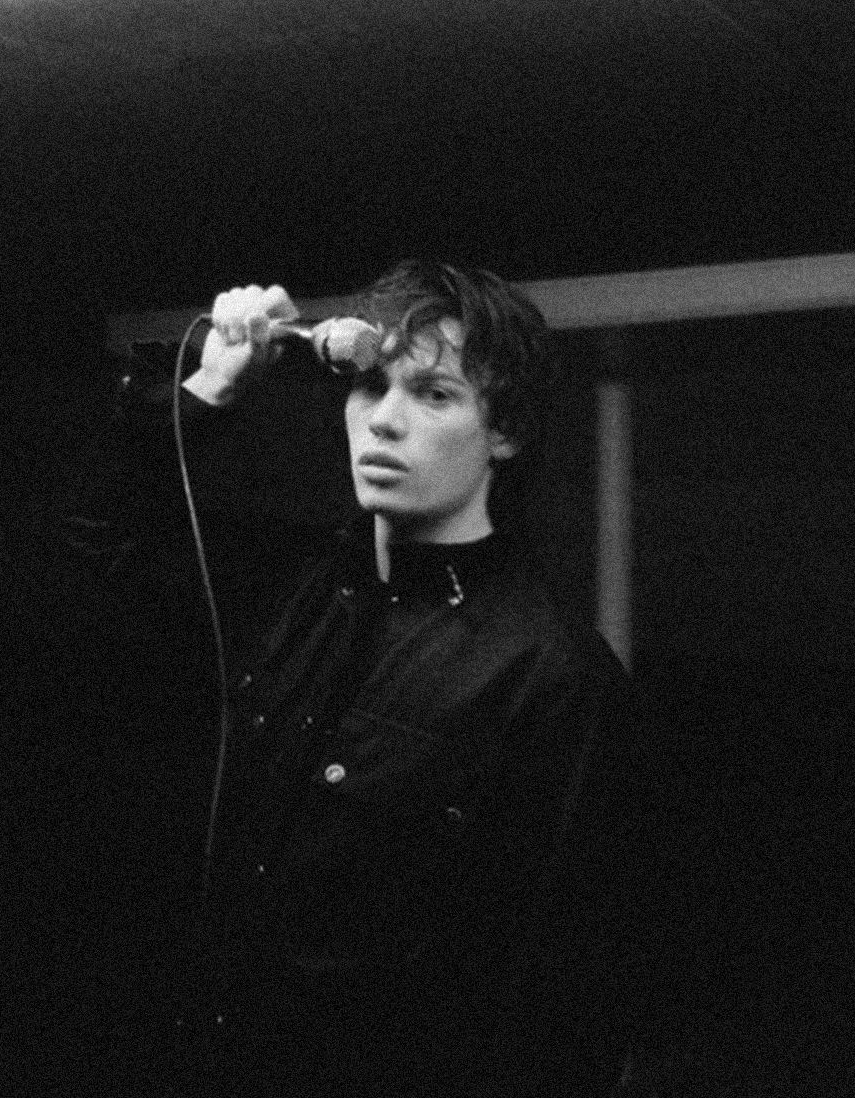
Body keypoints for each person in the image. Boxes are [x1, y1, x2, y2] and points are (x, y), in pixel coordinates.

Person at [181, 261, 653, 1097]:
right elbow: (99, 543)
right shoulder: (297, 594)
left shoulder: (552, 674)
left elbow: (565, 1006)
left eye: (433, 394)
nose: (383, 421)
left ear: (504, 431)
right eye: (371, 387)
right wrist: (207, 392)